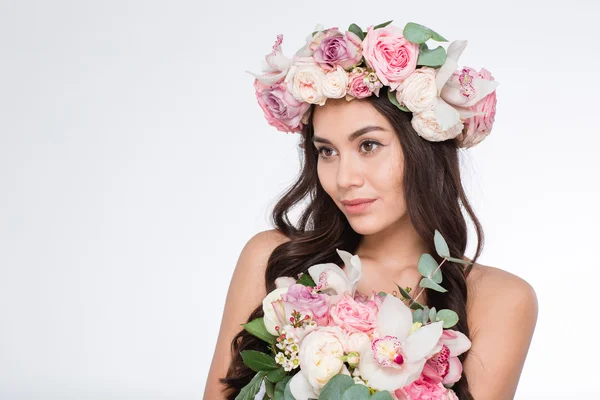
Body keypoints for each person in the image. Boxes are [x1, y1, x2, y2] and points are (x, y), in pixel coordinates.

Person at [204, 22, 538, 400]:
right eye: (327, 152)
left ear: (424, 149)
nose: (344, 178)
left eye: (368, 146)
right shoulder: (272, 260)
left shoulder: (501, 299)